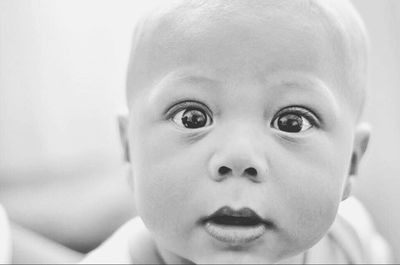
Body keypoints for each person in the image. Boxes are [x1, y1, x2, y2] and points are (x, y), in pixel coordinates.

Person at [81, 0, 392, 263]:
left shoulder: (350, 241)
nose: (239, 157)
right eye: (192, 118)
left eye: (291, 122)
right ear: (128, 148)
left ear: (351, 162)